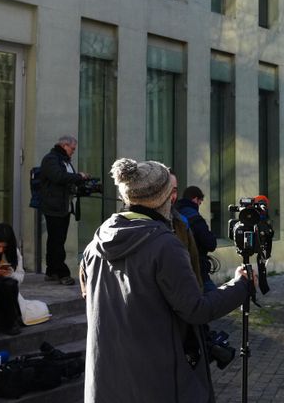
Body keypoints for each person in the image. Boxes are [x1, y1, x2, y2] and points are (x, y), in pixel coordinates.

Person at [80, 158, 254, 403]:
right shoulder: (164, 245)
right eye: (171, 192)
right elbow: (196, 309)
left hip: (106, 381)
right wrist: (241, 285)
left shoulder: (95, 244)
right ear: (164, 197)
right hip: (157, 382)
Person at [39, 135, 88, 286]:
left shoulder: (63, 160)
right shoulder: (51, 159)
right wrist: (78, 176)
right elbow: (59, 177)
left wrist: (78, 180)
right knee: (57, 240)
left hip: (62, 206)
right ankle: (62, 273)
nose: (73, 151)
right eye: (72, 149)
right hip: (54, 206)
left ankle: (51, 270)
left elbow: (65, 179)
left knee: (55, 240)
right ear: (65, 145)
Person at [175, 186, 218, 292]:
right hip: (197, 269)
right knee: (214, 300)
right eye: (200, 202)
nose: (199, 205)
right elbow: (210, 243)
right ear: (195, 199)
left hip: (177, 268)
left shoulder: (174, 213)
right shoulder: (195, 218)